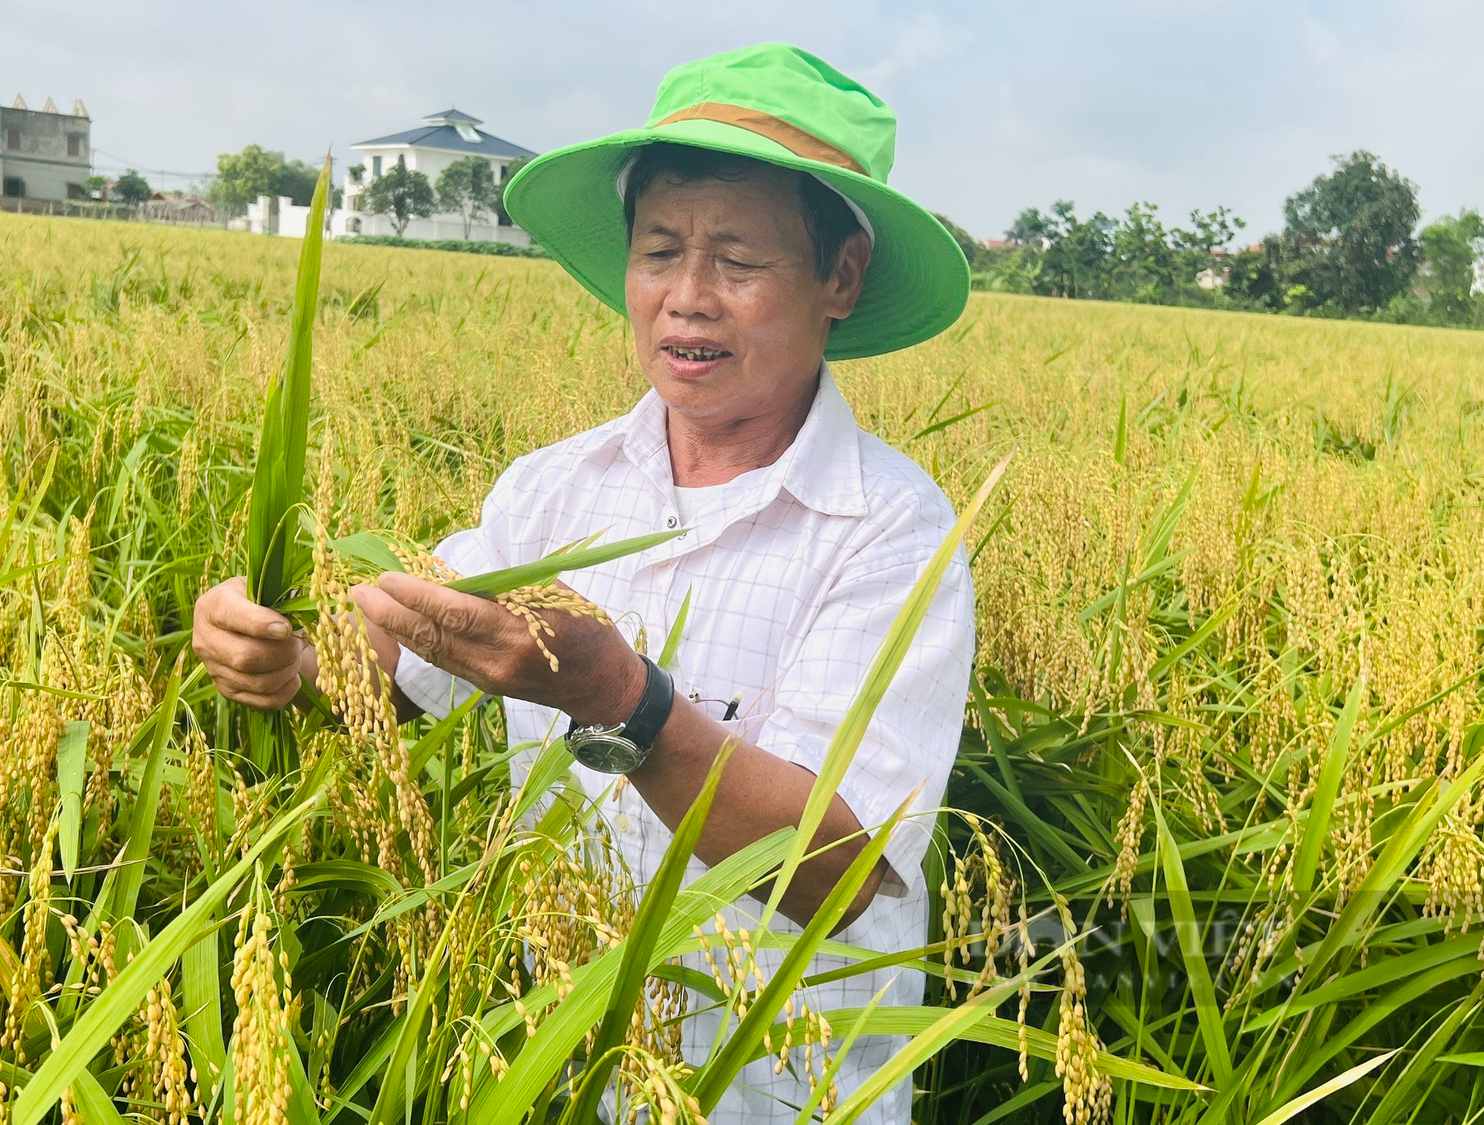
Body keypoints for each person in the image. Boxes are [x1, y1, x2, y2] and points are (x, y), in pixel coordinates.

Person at [193, 42, 974, 1123]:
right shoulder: (556, 489)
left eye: (738, 261)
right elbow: (407, 665)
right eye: (659, 251)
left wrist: (624, 704)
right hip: (551, 1066)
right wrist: (284, 661)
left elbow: (835, 872)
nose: (686, 299)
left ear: (838, 276)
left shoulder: (889, 530)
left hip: (777, 1091)